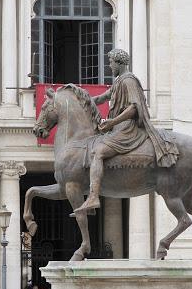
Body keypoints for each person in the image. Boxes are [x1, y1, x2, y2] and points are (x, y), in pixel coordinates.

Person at [74, 48, 179, 214]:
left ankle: (93, 197)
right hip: (118, 128)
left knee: (98, 152)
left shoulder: (129, 81)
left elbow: (133, 108)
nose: (109, 66)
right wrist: (81, 102)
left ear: (119, 62)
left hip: (127, 128)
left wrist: (112, 122)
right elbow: (102, 97)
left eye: (111, 62)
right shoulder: (118, 81)